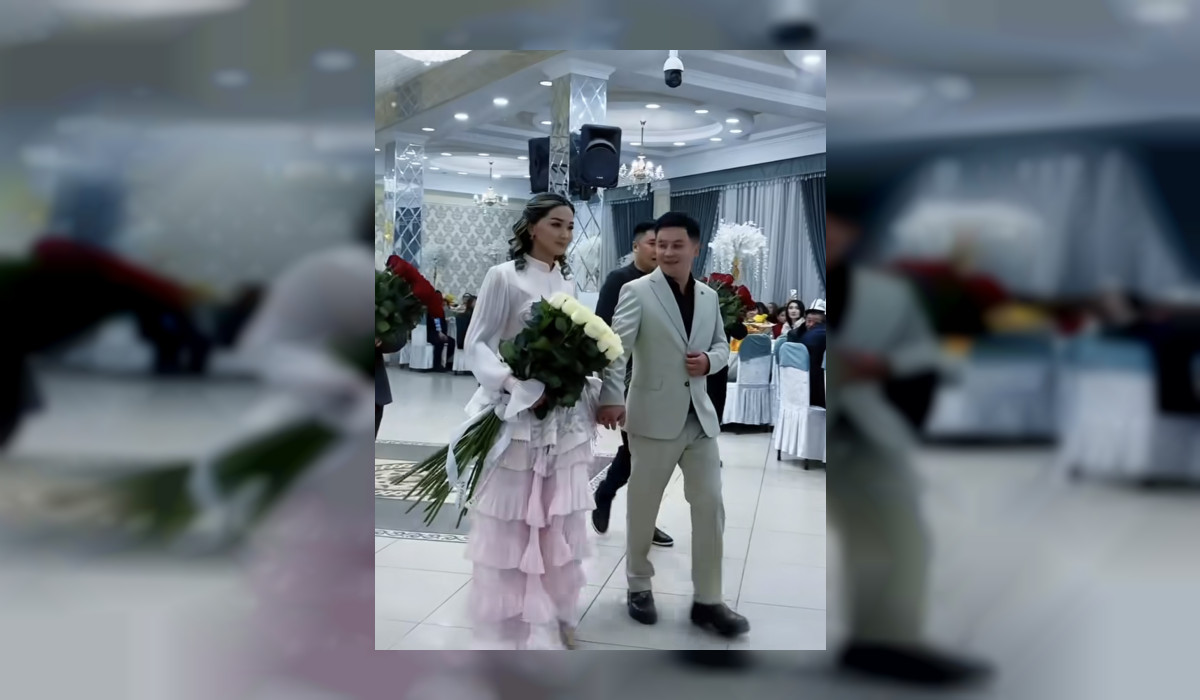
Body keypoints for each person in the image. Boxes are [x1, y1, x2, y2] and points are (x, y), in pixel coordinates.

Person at [826, 186, 992, 686]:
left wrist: (884, 365)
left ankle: (885, 641)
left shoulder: (886, 292)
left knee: (900, 534)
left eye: (837, 224)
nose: (830, 233)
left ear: (852, 232)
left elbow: (924, 352)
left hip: (870, 428)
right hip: (816, 430)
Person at [598, 211, 751, 640]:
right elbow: (617, 349)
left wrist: (710, 362)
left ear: (695, 248)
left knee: (710, 506)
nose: (666, 252)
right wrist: (611, 397)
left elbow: (721, 345)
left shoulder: (708, 296)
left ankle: (709, 600)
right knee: (643, 506)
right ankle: (638, 585)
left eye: (676, 245)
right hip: (652, 416)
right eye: (660, 244)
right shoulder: (636, 291)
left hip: (699, 419)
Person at [461, 193, 598, 650]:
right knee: (515, 518)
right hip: (517, 411)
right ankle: (509, 621)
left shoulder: (567, 281)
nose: (565, 234)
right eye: (556, 224)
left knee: (559, 518)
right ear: (532, 226)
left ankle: (560, 611)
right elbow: (478, 341)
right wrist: (510, 382)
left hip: (560, 416)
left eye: (570, 226)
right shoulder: (503, 276)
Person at [592, 220, 674, 547]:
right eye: (653, 243)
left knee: (650, 454)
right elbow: (601, 329)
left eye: (664, 244)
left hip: (662, 380)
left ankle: (608, 493)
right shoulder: (620, 280)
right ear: (636, 246)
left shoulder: (667, 282)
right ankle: (635, 515)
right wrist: (609, 387)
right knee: (640, 452)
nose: (660, 250)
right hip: (628, 379)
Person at [789, 299, 826, 408]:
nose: (809, 324)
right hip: (816, 386)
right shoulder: (807, 334)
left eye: (813, 321)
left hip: (800, 385)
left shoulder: (805, 335)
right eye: (808, 320)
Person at [429, 289, 455, 372]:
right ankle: (436, 365)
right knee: (439, 343)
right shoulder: (430, 309)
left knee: (452, 342)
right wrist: (439, 333)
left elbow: (442, 323)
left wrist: (443, 333)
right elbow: (433, 323)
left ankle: (444, 361)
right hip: (432, 333)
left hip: (441, 333)